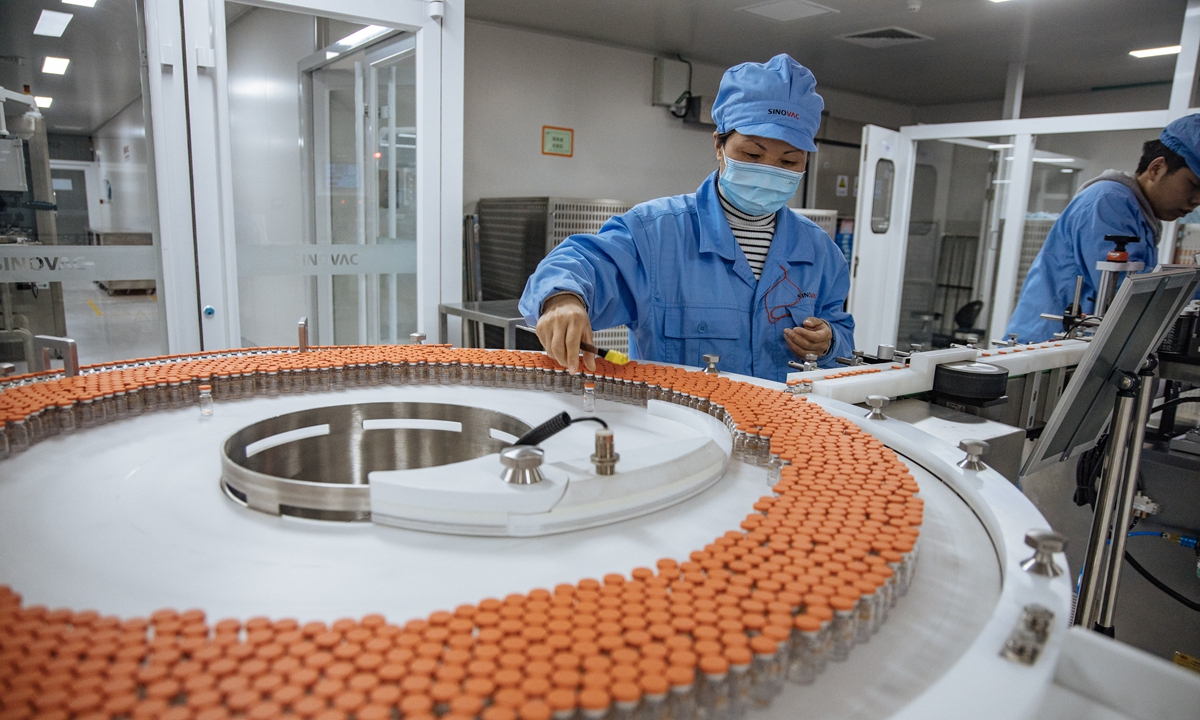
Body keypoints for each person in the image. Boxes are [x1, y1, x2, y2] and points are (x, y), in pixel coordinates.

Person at [518, 54, 854, 382]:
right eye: (752, 154)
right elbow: (580, 262)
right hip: (679, 419)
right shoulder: (656, 234)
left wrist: (829, 342)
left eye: (788, 162)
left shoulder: (821, 254)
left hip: (785, 420)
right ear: (719, 145)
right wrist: (562, 299)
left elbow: (842, 339)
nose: (768, 172)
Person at [1006, 114, 1200, 343]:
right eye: (1194, 185)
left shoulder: (1140, 212)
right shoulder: (1108, 201)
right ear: (1156, 168)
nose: (1197, 200)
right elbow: (1130, 292)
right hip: (1046, 345)